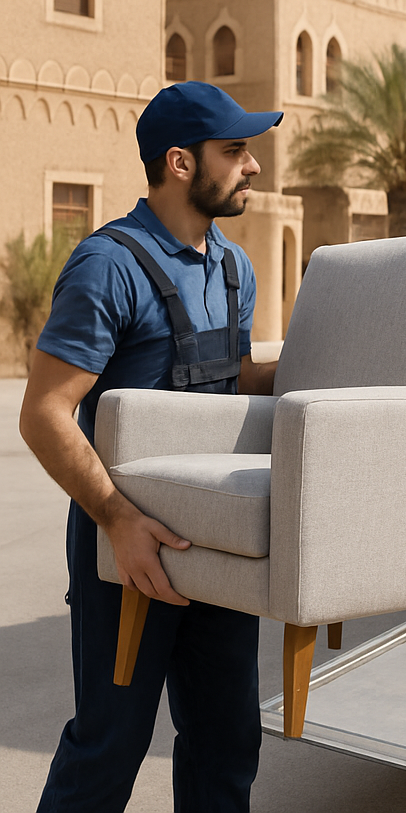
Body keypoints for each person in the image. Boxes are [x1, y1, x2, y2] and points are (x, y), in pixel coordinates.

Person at [20, 81, 284, 812]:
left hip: (217, 541)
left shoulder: (236, 268)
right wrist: (115, 518)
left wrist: (312, 369)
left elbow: (228, 381)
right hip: (123, 543)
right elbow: (45, 413)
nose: (253, 166)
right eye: (234, 151)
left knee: (227, 743)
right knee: (110, 746)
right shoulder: (108, 266)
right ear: (179, 162)